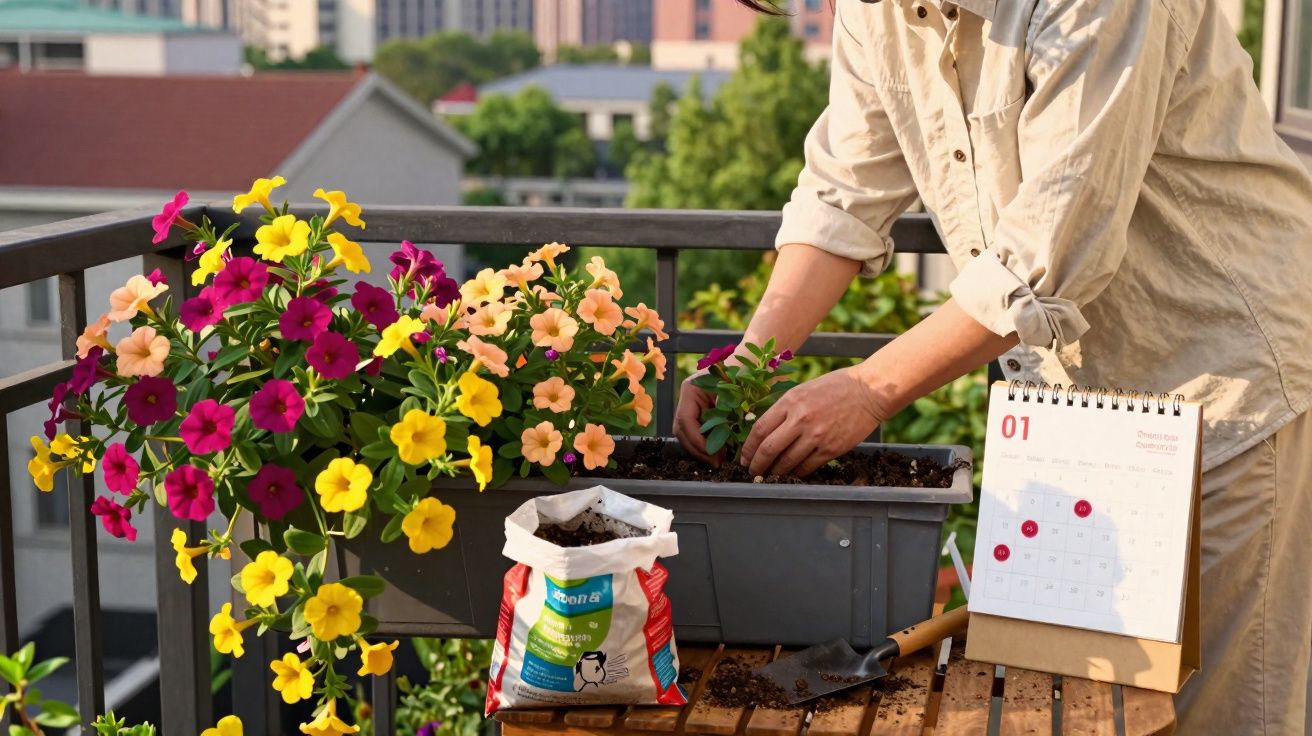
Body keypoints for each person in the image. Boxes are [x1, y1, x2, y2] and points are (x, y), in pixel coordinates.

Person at [673, 0, 1312, 732]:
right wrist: (748, 364)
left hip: (1215, 384)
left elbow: (1046, 258)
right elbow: (843, 196)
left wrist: (865, 389)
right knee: (1080, 714)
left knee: (1214, 715)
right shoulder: (872, 9)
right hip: (1067, 406)